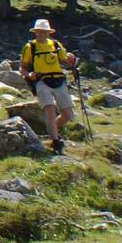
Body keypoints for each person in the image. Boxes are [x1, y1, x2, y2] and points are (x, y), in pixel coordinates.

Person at [20, 17, 77, 154]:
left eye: (43, 31)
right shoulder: (30, 47)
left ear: (48, 33)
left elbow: (67, 61)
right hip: (41, 80)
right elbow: (23, 68)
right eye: (39, 31)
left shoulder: (56, 45)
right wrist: (29, 75)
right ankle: (56, 141)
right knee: (49, 108)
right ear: (35, 32)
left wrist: (71, 60)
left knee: (68, 114)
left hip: (58, 79)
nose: (41, 34)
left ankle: (52, 129)